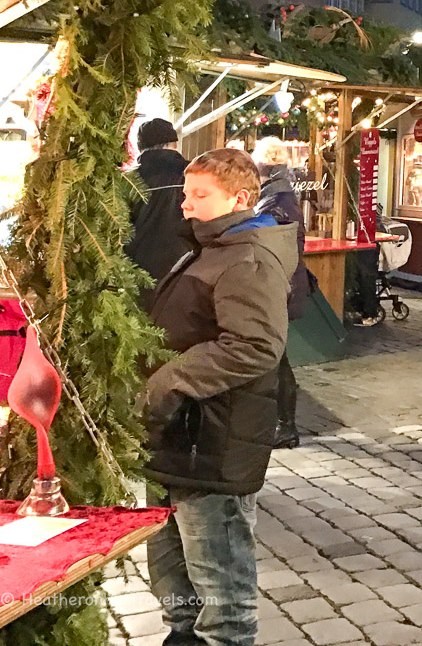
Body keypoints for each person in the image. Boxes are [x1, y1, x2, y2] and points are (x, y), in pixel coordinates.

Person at [142, 148, 297, 646]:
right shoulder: (209, 247)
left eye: (200, 195)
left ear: (239, 198)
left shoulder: (248, 256)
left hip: (215, 439)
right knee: (176, 583)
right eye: (186, 194)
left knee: (220, 594)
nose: (185, 205)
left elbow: (254, 346)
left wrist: (169, 381)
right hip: (180, 435)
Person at [251, 137, 311, 450]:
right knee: (277, 357)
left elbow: (273, 248)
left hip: (281, 289)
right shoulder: (278, 196)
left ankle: (285, 426)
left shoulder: (277, 202)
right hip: (284, 288)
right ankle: (282, 424)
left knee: (277, 359)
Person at [126, 118, 194, 281]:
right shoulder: (193, 175)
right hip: (184, 265)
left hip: (136, 271)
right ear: (174, 144)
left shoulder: (127, 180)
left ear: (140, 147)